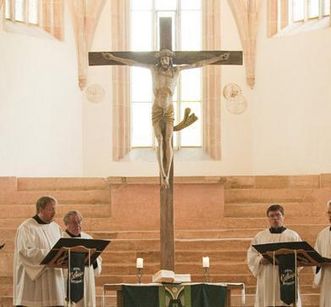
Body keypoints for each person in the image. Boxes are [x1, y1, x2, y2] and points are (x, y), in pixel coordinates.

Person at [102, 49, 229, 188]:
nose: (164, 61)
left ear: (170, 59)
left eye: (166, 59)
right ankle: (162, 174)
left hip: (169, 109)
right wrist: (114, 57)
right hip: (156, 109)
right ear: (159, 60)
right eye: (162, 59)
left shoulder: (177, 71)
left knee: (168, 140)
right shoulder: (153, 69)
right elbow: (133, 63)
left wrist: (218, 58)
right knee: (160, 140)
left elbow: (196, 64)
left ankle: (167, 175)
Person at [13, 196, 65, 306]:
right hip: (33, 283)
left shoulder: (56, 228)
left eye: (55, 209)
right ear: (40, 209)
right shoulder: (26, 227)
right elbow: (25, 252)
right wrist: (52, 255)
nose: (54, 213)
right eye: (51, 209)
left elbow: (62, 248)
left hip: (54, 281)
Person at [247, 204, 302, 307]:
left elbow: (301, 256)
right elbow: (251, 255)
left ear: (283, 217)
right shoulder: (260, 236)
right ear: (268, 218)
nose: (275, 218)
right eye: (272, 216)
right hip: (267, 276)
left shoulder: (293, 236)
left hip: (287, 277)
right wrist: (260, 260)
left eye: (278, 215)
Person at [62, 210, 102, 307]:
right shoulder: (61, 239)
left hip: (86, 277)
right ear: (66, 224)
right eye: (74, 222)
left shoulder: (88, 238)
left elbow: (98, 261)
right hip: (69, 279)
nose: (78, 225)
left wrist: (94, 258)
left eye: (80, 222)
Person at [313, 200, 331, 307]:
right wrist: (318, 264)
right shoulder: (322, 234)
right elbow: (316, 255)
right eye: (329, 212)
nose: (330, 215)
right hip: (327, 277)